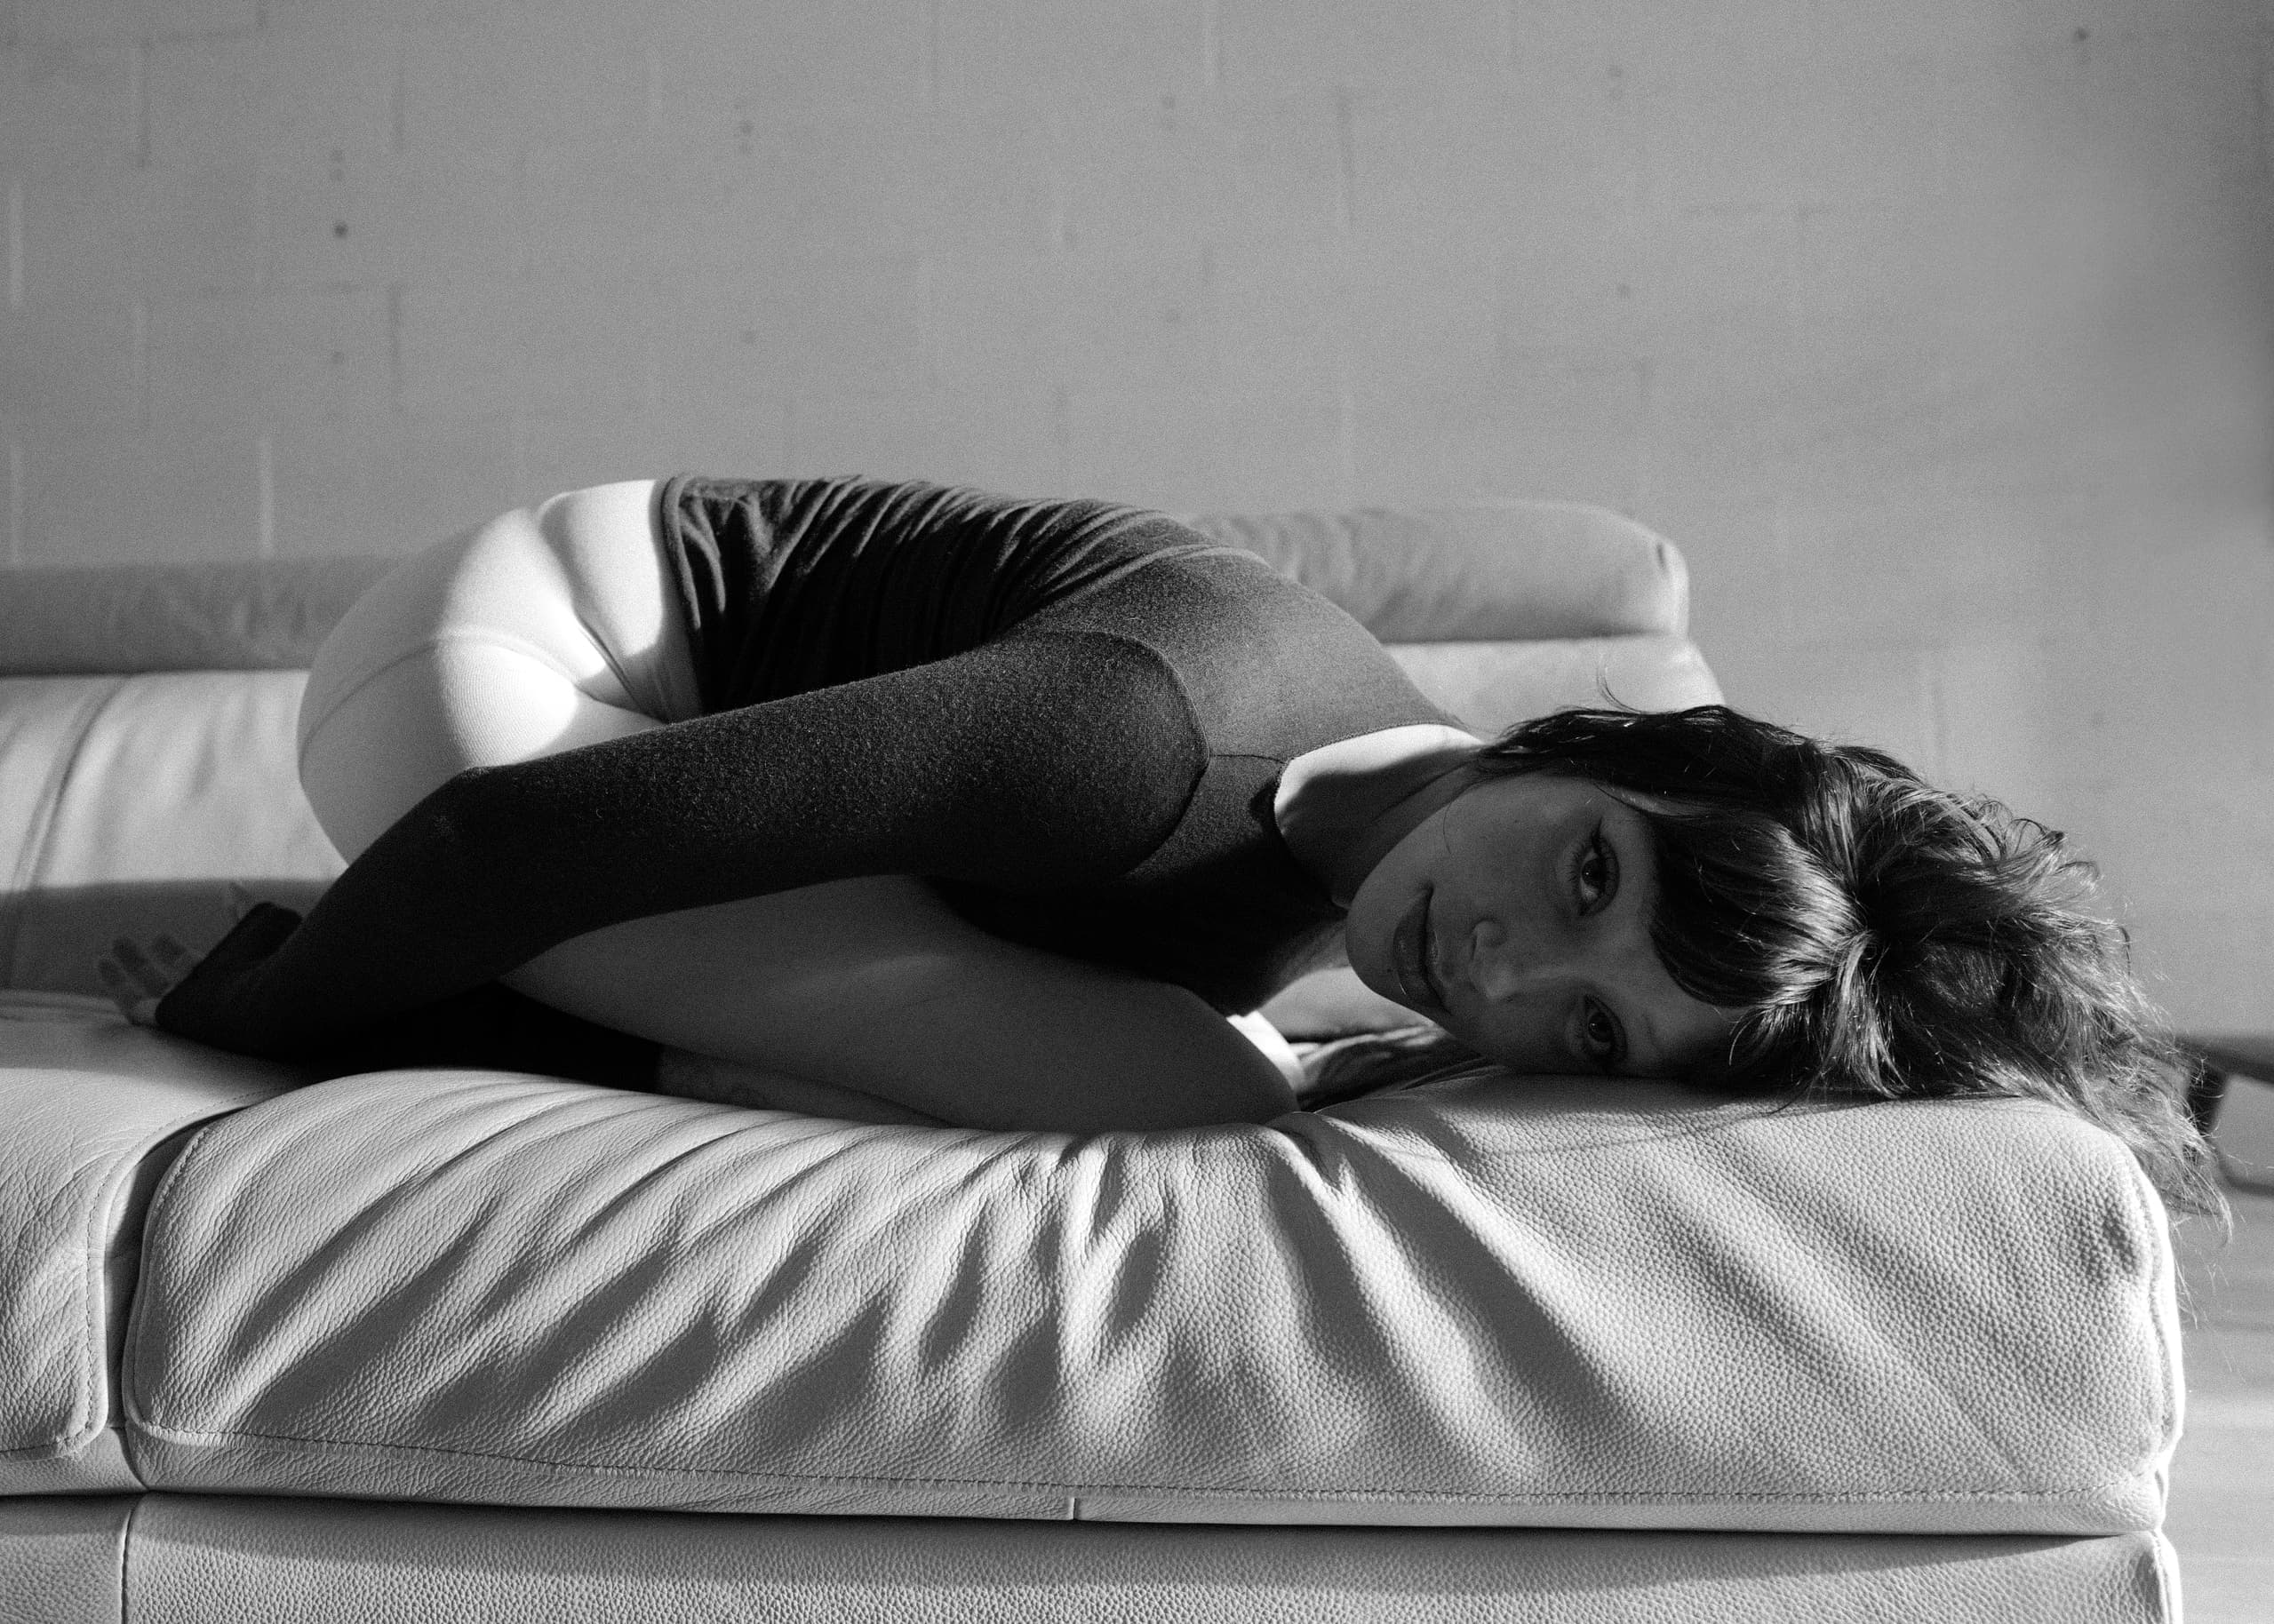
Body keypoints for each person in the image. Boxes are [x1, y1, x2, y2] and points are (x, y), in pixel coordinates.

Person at [102, 475, 2222, 1218]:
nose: (1495, 969)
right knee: (1186, 1091)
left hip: (679, 743)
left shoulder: (1371, 883)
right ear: (1608, 746)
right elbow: (511, 829)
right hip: (516, 650)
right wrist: (261, 1022)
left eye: (1584, 1034)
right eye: (1584, 875)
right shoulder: (1141, 734)